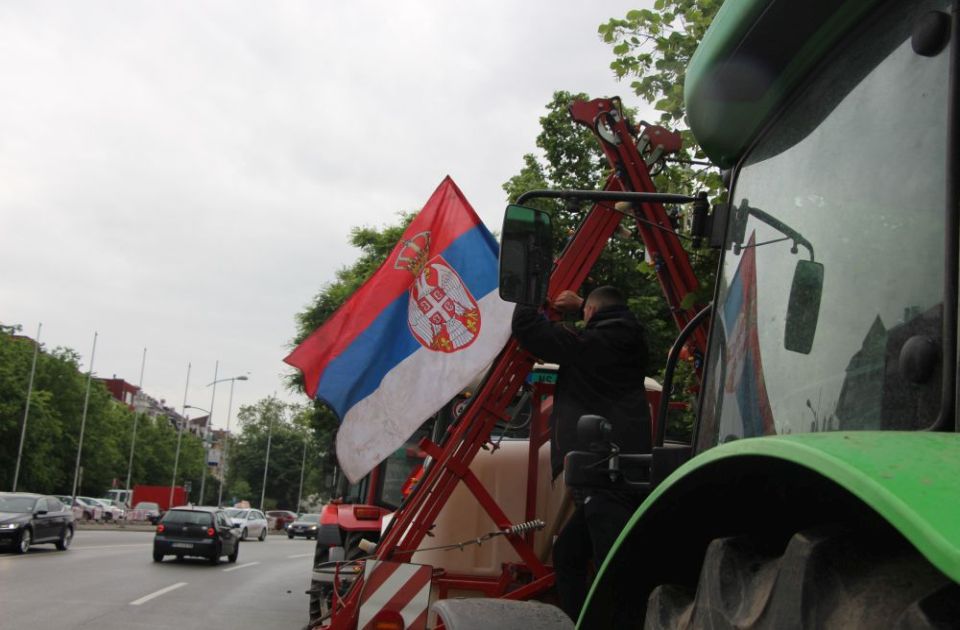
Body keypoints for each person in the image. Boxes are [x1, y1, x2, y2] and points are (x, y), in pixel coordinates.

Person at [512, 285, 651, 622]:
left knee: (611, 569)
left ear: (590, 313)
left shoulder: (599, 343)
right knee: (569, 553)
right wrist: (585, 302)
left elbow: (529, 329)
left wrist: (525, 290)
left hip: (605, 471)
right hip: (618, 468)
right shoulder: (628, 338)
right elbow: (605, 315)